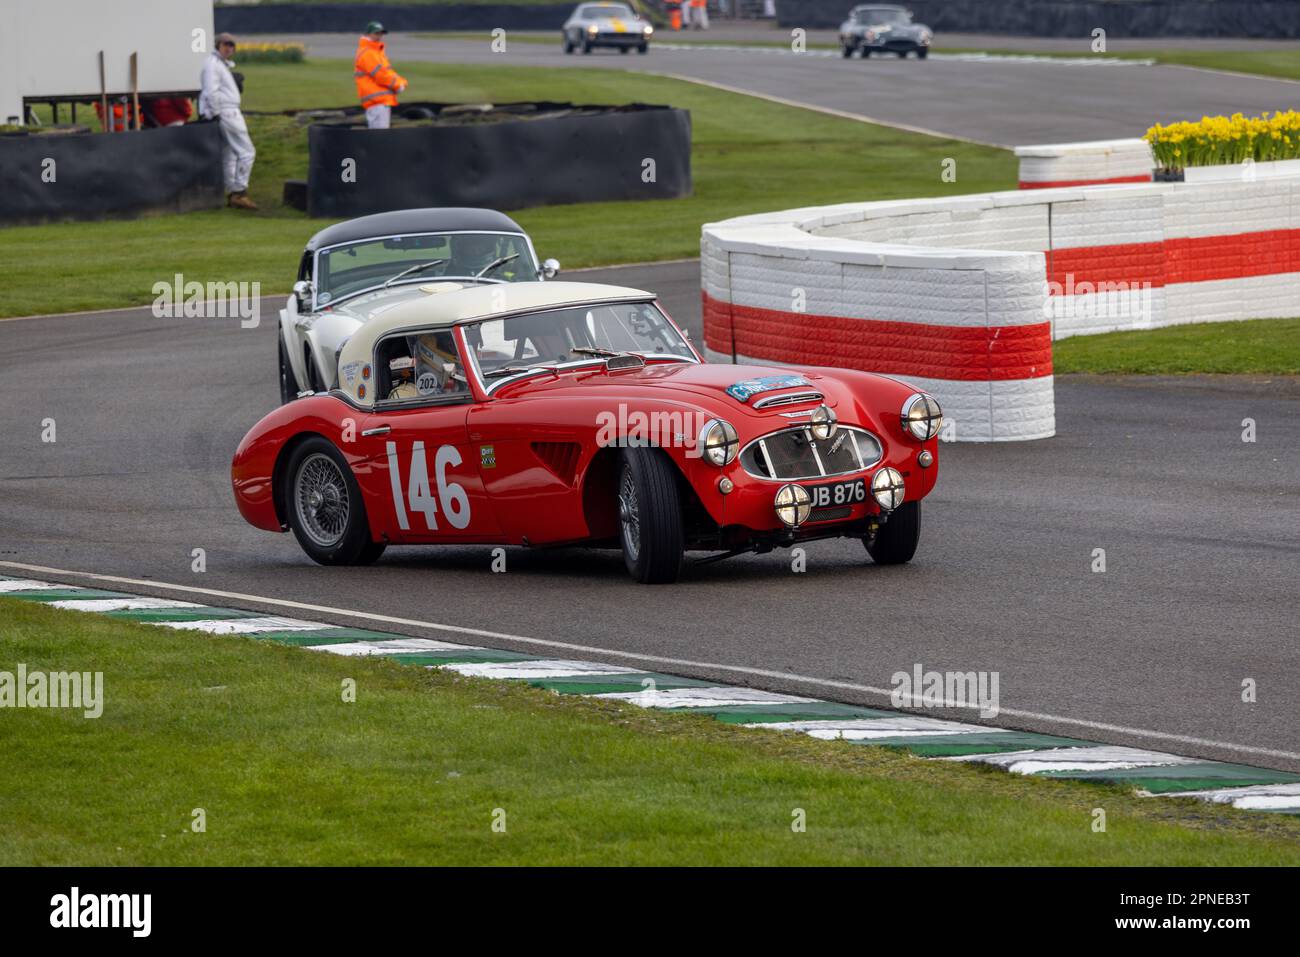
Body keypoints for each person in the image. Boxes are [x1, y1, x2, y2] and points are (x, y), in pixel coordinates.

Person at [199, 32, 257, 210]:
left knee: (230, 153)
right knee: (247, 152)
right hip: (227, 112)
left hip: (226, 111)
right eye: (226, 44)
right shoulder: (213, 65)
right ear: (218, 45)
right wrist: (216, 113)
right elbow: (210, 91)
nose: (229, 48)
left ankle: (233, 191)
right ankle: (239, 192)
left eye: (232, 45)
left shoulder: (218, 64)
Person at [354, 21, 407, 130]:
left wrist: (401, 81)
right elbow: (381, 75)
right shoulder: (368, 53)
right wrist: (398, 85)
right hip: (377, 102)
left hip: (380, 101)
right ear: (368, 34)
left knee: (379, 137)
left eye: (381, 33)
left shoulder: (375, 51)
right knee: (379, 137)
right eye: (376, 33)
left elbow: (387, 72)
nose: (379, 36)